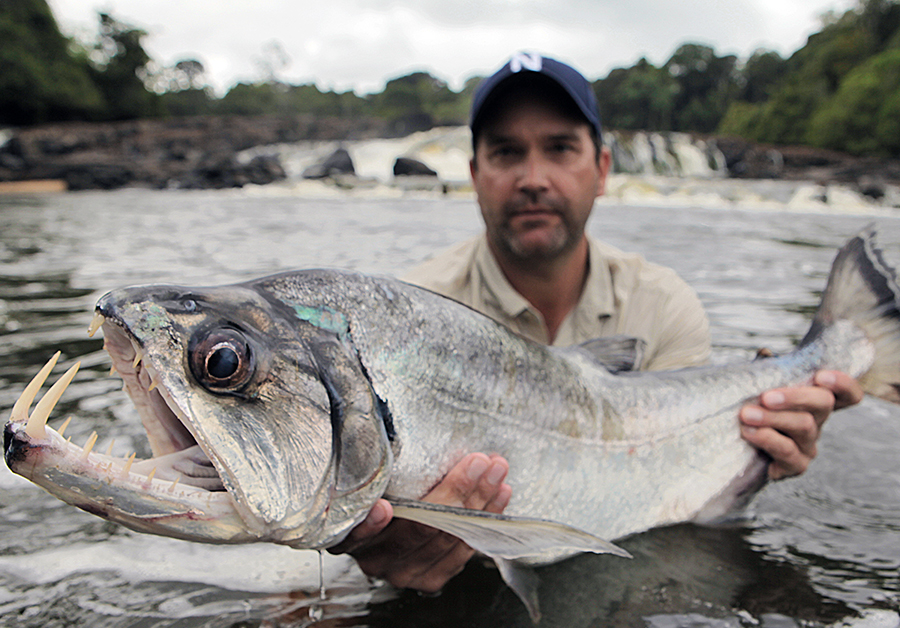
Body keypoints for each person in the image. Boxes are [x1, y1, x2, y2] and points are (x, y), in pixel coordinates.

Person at [328, 52, 864, 593]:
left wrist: (764, 449)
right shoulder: (410, 315)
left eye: (559, 148)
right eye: (507, 152)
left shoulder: (665, 306)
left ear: (603, 169)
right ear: (474, 175)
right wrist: (373, 548)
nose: (533, 179)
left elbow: (680, 481)